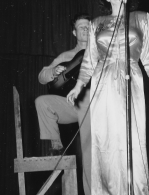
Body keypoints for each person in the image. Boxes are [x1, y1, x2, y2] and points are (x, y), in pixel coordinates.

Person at [67, 0, 149, 194]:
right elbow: (90, 59)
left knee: (131, 137)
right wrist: (78, 86)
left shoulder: (141, 18)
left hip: (131, 78)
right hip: (103, 82)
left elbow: (148, 53)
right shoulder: (96, 22)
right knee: (106, 139)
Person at [35, 13, 91, 195]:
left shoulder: (100, 50)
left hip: (95, 105)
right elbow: (42, 77)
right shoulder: (67, 55)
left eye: (87, 26)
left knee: (89, 157)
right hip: (74, 105)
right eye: (80, 27)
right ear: (74, 33)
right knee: (42, 102)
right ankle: (56, 147)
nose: (84, 29)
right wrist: (53, 71)